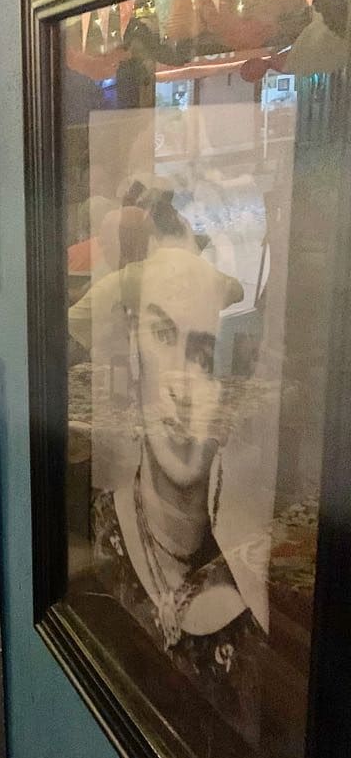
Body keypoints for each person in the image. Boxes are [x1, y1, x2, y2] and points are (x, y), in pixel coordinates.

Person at [87, 245, 262, 731]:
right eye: (163, 335)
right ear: (134, 351)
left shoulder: (252, 615)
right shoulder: (91, 536)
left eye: (205, 356)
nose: (182, 387)